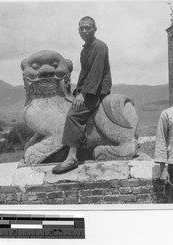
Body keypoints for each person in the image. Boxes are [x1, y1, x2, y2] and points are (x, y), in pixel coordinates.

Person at [52, 16, 112, 174]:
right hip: (88, 88)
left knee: (74, 115)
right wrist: (77, 91)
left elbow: (95, 73)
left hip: (97, 89)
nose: (84, 31)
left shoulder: (100, 46)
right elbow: (84, 73)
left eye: (88, 28)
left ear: (95, 29)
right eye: (81, 28)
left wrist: (83, 95)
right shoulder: (85, 49)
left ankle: (72, 157)